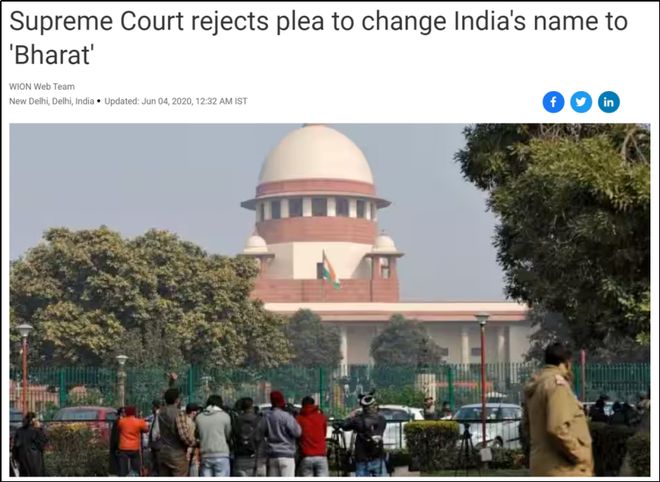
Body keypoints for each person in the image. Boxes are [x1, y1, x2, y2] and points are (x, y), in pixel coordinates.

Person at [522, 342, 593, 476]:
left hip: (544, 465)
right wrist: (580, 454)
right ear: (566, 363)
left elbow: (526, 425)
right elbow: (558, 428)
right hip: (563, 468)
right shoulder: (557, 386)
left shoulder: (537, 386)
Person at [339, 392, 387, 477]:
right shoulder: (382, 420)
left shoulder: (357, 420)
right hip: (378, 457)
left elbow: (344, 426)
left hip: (362, 459)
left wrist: (352, 416)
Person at [256, 390, 302, 477]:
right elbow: (297, 432)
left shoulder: (267, 417)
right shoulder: (287, 417)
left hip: (272, 455)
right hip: (287, 455)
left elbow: (259, 433)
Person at [157, 387, 197, 476]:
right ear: (177, 400)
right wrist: (195, 443)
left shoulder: (161, 412)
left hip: (163, 452)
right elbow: (183, 436)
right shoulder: (179, 414)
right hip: (177, 454)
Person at [195, 395, 233, 477]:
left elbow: (197, 435)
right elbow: (228, 435)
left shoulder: (199, 417)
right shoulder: (225, 416)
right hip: (222, 454)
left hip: (205, 454)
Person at [233, 397, 266, 477]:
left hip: (240, 459)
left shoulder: (236, 420)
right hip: (258, 459)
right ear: (252, 406)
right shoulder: (260, 420)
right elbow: (265, 434)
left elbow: (233, 436)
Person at [296, 396, 329, 477]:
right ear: (314, 404)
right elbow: (324, 434)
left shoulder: (299, 418)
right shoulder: (321, 417)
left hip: (306, 456)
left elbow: (296, 435)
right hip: (321, 455)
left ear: (302, 405)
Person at [11, 412, 47, 476]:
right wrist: (40, 428)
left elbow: (15, 447)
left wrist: (16, 458)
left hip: (23, 463)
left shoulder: (19, 431)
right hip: (35, 464)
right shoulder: (36, 431)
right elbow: (43, 444)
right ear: (34, 421)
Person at [116, 406, 149, 476]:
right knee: (135, 469)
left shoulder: (121, 421)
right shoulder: (139, 421)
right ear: (134, 413)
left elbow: (119, 428)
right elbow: (146, 429)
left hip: (123, 448)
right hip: (134, 448)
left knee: (123, 470)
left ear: (126, 413)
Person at [146, 400, 162, 476]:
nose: (152, 408)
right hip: (155, 444)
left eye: (153, 406)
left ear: (155, 407)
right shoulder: (155, 415)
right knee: (154, 462)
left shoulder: (159, 415)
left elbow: (157, 429)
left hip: (157, 443)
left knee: (158, 463)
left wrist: (156, 436)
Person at [185, 403, 202, 476]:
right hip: (192, 451)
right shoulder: (191, 423)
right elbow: (192, 437)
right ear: (193, 412)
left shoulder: (184, 420)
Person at [109, 407, 125, 476]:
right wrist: (118, 446)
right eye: (123, 412)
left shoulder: (119, 422)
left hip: (119, 446)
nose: (125, 414)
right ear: (120, 414)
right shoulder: (118, 422)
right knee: (119, 465)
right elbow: (116, 436)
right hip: (118, 447)